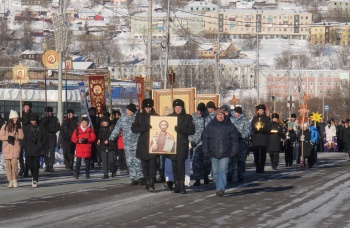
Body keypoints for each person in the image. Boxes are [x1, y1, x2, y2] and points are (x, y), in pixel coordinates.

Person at [203, 108, 239, 197]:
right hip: (213, 153)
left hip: (225, 153)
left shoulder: (230, 126)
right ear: (216, 115)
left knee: (222, 170)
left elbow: (235, 140)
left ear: (224, 115)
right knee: (215, 172)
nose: (220, 116)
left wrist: (234, 151)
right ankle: (218, 186)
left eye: (222, 114)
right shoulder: (211, 126)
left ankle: (221, 189)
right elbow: (205, 139)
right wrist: (205, 151)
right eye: (218, 114)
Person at [109, 103, 144, 185]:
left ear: (132, 111)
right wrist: (111, 138)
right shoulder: (123, 119)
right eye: (126, 110)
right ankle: (133, 178)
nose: (126, 111)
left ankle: (140, 177)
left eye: (128, 110)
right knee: (129, 161)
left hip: (137, 142)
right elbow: (117, 128)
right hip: (127, 143)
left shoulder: (138, 118)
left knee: (137, 161)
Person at [167, 99, 195, 194]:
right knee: (174, 165)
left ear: (182, 108)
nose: (178, 109)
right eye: (176, 108)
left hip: (182, 144)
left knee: (181, 164)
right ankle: (177, 184)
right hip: (171, 144)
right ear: (174, 108)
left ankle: (182, 185)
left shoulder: (188, 117)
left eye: (179, 108)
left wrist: (181, 129)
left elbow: (192, 131)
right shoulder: (170, 117)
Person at [131, 98, 158, 192]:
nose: (148, 109)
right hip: (143, 143)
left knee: (153, 165)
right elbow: (134, 129)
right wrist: (145, 128)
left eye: (150, 107)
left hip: (154, 143)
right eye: (146, 108)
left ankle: (151, 183)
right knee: (144, 166)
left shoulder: (156, 116)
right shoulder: (139, 116)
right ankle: (147, 183)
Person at [0, 110, 24, 188]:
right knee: (8, 165)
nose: (15, 120)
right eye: (14, 119)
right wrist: (8, 137)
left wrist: (20, 128)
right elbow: (0, 136)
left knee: (14, 164)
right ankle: (10, 180)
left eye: (16, 119)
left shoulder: (18, 126)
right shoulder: (5, 126)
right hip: (7, 148)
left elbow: (21, 137)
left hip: (15, 148)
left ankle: (14, 179)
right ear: (11, 119)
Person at [23, 114, 46, 187]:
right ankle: (33, 176)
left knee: (35, 165)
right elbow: (24, 137)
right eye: (31, 120)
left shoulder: (41, 128)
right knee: (30, 165)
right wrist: (24, 145)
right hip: (29, 149)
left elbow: (45, 138)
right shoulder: (27, 127)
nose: (32, 122)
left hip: (37, 149)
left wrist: (40, 144)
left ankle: (35, 179)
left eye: (34, 120)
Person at [190, 102, 211, 186]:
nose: (199, 113)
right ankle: (197, 179)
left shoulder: (208, 118)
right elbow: (190, 129)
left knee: (206, 162)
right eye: (198, 111)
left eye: (201, 111)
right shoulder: (193, 117)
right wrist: (191, 140)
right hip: (196, 143)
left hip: (206, 143)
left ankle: (206, 175)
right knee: (196, 162)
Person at [230, 106, 251, 182]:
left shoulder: (245, 121)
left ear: (239, 113)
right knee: (231, 160)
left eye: (235, 112)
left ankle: (241, 175)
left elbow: (248, 131)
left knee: (241, 161)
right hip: (232, 144)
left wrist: (241, 136)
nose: (234, 113)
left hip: (242, 143)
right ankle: (230, 175)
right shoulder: (230, 120)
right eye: (234, 112)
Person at [251, 104, 271, 173]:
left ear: (264, 111)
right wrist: (256, 130)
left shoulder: (267, 119)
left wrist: (261, 130)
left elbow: (268, 128)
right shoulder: (255, 118)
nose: (260, 111)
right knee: (256, 154)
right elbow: (252, 127)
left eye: (261, 110)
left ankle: (262, 167)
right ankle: (257, 166)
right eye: (259, 110)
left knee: (263, 154)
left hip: (263, 138)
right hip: (256, 138)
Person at [40, 106, 60, 172]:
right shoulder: (43, 119)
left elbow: (58, 127)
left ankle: (51, 165)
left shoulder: (55, 119)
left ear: (51, 112)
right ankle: (47, 164)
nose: (48, 113)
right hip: (45, 137)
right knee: (45, 151)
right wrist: (46, 119)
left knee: (52, 151)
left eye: (49, 112)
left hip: (52, 137)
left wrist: (50, 130)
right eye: (46, 112)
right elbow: (41, 126)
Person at [19, 101, 32, 177]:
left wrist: (22, 120)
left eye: (27, 107)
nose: (25, 108)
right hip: (21, 136)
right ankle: (22, 168)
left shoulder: (31, 115)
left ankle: (26, 170)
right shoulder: (20, 113)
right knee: (20, 154)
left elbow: (28, 122)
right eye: (25, 106)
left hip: (28, 137)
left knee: (27, 154)